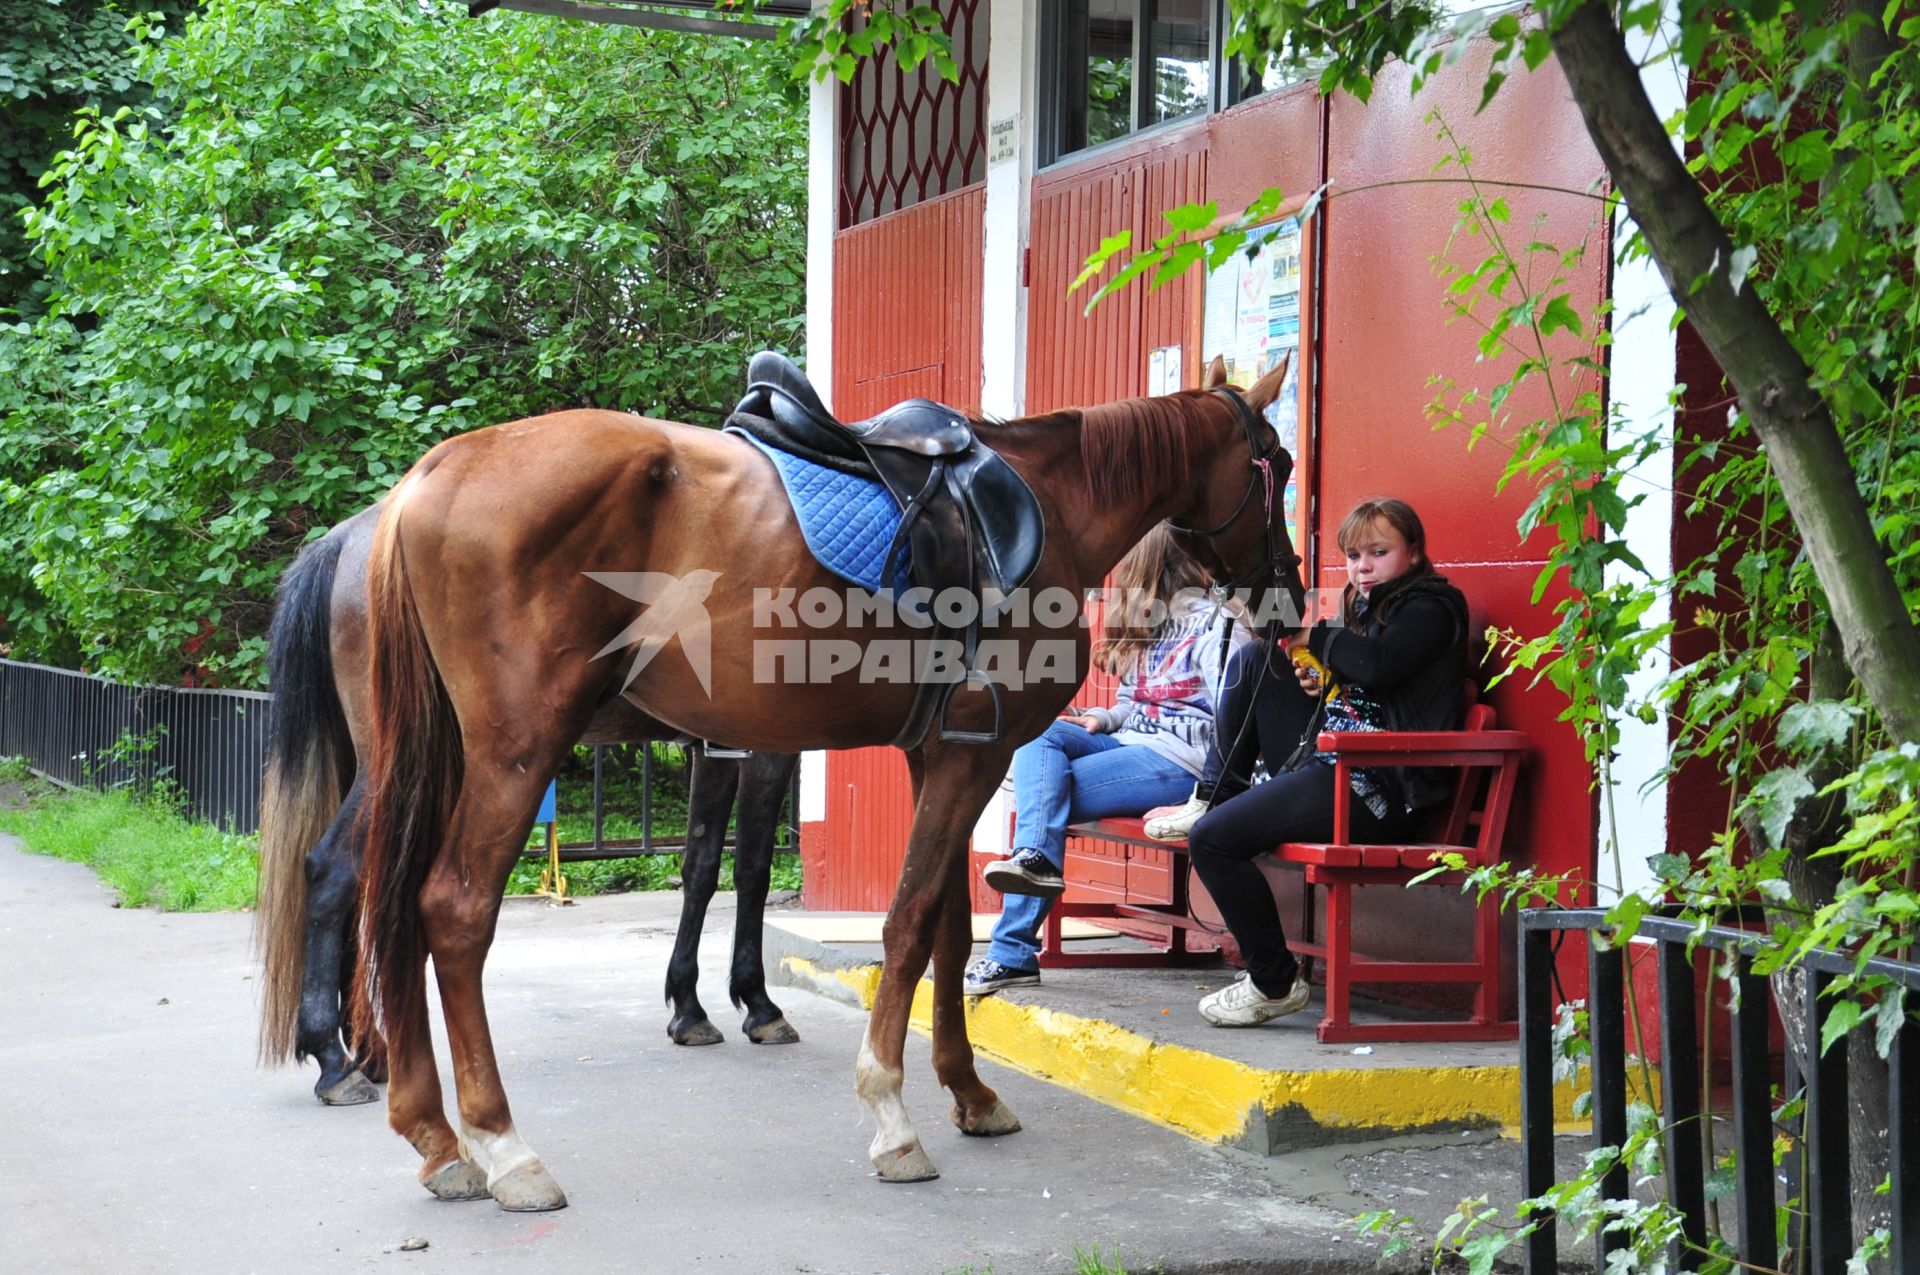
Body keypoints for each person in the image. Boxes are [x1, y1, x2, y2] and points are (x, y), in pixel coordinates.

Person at [1144, 497, 1468, 1027]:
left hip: (1375, 787)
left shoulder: (1430, 608)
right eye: (1354, 556)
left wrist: (1317, 639)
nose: (1362, 567)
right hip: (1337, 764)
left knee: (1214, 842)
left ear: (1413, 553)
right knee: (1256, 657)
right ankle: (1213, 795)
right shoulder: (1372, 606)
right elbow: (1370, 682)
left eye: (1378, 553)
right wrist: (1324, 681)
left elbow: (1380, 665)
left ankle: (1272, 982)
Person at [964, 526, 1252, 996]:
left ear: (1149, 568)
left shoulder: (1218, 627)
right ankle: (1033, 863)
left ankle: (1011, 951)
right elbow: (1134, 702)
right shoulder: (1153, 621)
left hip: (1181, 762)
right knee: (1038, 728)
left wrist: (1210, 794)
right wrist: (1103, 716)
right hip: (1132, 743)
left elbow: (1235, 719)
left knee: (1043, 800)